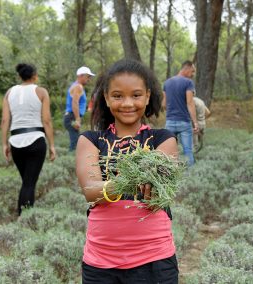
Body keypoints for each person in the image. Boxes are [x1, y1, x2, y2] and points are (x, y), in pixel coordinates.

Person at [76, 59, 179, 283]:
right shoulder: (91, 140)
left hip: (154, 261)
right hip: (101, 263)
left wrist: (147, 185)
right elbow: (91, 191)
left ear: (148, 96)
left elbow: (160, 188)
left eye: (136, 95)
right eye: (117, 96)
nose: (127, 103)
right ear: (105, 97)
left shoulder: (163, 139)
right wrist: (133, 181)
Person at [1, 63, 56, 216]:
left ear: (20, 76)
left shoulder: (9, 93)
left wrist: (4, 143)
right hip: (36, 140)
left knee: (26, 182)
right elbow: (46, 121)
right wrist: (52, 145)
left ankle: (23, 215)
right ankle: (25, 217)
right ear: (35, 76)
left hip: (15, 141)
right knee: (29, 183)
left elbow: (5, 120)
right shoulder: (41, 91)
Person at [162, 60, 198, 166]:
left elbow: (164, 104)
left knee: (170, 153)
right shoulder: (188, 83)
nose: (192, 75)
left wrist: (170, 112)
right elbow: (190, 103)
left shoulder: (167, 83)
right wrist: (195, 122)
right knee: (187, 150)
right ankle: (191, 177)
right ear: (186, 68)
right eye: (192, 72)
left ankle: (172, 177)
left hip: (170, 122)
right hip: (184, 123)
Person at [64, 66, 95, 151]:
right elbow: (75, 103)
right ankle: (70, 160)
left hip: (71, 116)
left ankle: (71, 158)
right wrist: (77, 119)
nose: (89, 79)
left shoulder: (76, 86)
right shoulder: (78, 87)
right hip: (72, 117)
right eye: (88, 77)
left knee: (75, 140)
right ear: (81, 75)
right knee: (75, 142)